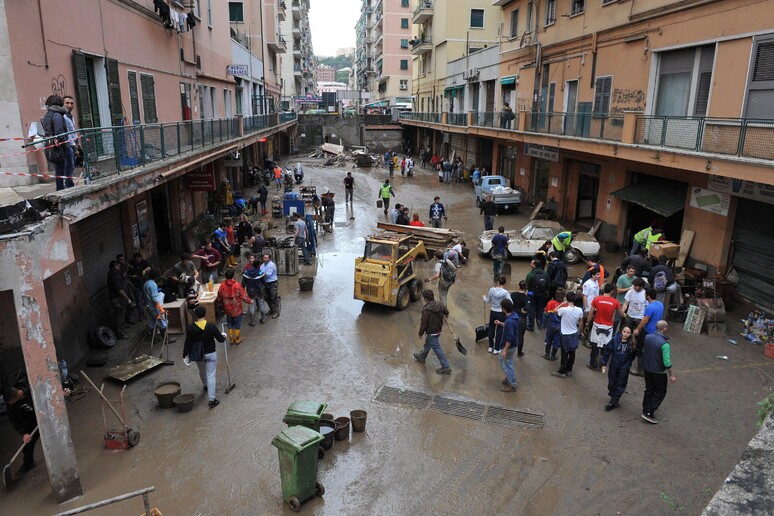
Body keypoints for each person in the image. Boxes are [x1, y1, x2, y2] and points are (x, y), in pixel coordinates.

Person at [183, 306, 227, 409]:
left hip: (198, 355)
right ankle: (211, 400)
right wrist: (224, 335)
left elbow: (187, 343)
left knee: (202, 371)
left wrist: (185, 355)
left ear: (196, 315)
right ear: (205, 314)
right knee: (211, 375)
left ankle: (206, 385)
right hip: (210, 354)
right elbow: (220, 339)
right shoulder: (211, 326)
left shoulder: (190, 328)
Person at [641, 320, 677, 424]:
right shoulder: (664, 344)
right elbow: (667, 362)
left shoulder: (647, 337)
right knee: (660, 392)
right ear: (664, 329)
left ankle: (645, 408)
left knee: (649, 389)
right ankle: (649, 411)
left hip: (647, 369)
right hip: (658, 372)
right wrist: (671, 375)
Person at [3, 380, 39, 475]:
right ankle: (29, 463)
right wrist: (24, 433)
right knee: (27, 444)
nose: (10, 404)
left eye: (11, 402)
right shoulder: (11, 404)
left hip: (41, 418)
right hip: (29, 424)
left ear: (17, 396)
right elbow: (13, 419)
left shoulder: (31, 389)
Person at [413, 289, 452, 375]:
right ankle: (422, 356)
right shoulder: (440, 305)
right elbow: (447, 312)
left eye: (424, 298)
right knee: (428, 343)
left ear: (426, 299)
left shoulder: (426, 310)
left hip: (431, 332)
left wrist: (420, 333)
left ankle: (446, 367)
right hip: (438, 330)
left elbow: (424, 324)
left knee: (437, 349)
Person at [586, 284, 622, 370]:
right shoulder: (615, 302)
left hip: (597, 326)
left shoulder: (597, 299)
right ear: (612, 291)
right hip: (608, 327)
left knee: (595, 346)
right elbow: (620, 313)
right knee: (605, 348)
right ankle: (602, 365)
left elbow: (591, 313)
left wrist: (587, 324)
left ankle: (592, 364)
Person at [600, 326, 637, 411]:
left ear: (630, 334)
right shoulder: (614, 340)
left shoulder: (632, 343)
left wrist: (628, 363)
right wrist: (604, 363)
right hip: (614, 366)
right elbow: (607, 352)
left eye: (628, 333)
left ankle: (614, 401)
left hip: (624, 368)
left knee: (620, 384)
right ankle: (613, 396)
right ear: (621, 332)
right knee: (611, 383)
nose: (626, 334)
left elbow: (634, 354)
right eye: (624, 332)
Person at [551, 291, 584, 379]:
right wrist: (580, 332)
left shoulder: (564, 310)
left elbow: (554, 310)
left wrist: (562, 303)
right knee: (572, 353)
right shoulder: (579, 310)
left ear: (566, 298)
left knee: (564, 353)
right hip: (574, 333)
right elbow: (581, 323)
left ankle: (562, 371)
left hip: (565, 334)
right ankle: (569, 369)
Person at [41, 95, 70, 191]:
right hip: (59, 146)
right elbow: (59, 132)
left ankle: (61, 187)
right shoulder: (57, 115)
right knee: (61, 168)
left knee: (59, 168)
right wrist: (65, 141)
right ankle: (61, 188)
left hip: (51, 144)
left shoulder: (47, 115)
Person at [632, 287, 664, 376]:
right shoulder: (660, 304)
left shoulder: (650, 307)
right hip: (657, 331)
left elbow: (645, 320)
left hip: (648, 331)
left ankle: (640, 370)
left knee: (640, 349)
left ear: (648, 296)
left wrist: (637, 329)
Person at [216, 269, 252, 345]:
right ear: (234, 275)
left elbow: (219, 297)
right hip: (237, 309)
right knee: (237, 325)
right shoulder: (237, 285)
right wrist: (250, 301)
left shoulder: (222, 285)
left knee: (229, 324)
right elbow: (244, 296)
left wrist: (219, 305)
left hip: (227, 309)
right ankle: (237, 339)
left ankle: (231, 340)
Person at [483, 276, 512, 355]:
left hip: (493, 311)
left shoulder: (492, 290)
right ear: (504, 283)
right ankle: (496, 349)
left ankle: (490, 347)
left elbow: (487, 300)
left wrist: (484, 298)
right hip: (501, 313)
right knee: (499, 331)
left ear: (498, 282)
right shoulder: (506, 293)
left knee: (491, 329)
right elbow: (511, 303)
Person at [495, 299, 519, 392]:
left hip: (509, 346)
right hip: (513, 345)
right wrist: (501, 323)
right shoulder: (514, 316)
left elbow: (510, 337)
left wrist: (505, 350)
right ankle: (509, 377)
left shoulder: (509, 321)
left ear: (504, 308)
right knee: (507, 363)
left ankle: (512, 383)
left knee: (506, 363)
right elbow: (511, 328)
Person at [107, 260, 134, 339]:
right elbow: (120, 290)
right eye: (117, 266)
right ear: (113, 268)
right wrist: (128, 299)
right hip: (117, 299)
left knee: (122, 314)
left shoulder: (115, 274)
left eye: (118, 265)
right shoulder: (113, 276)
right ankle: (120, 333)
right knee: (119, 316)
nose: (119, 267)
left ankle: (121, 329)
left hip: (119, 298)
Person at [526, 259, 549, 331]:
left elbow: (527, 285)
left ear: (534, 265)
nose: (530, 263)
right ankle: (540, 324)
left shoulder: (530, 274)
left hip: (531, 293)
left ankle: (531, 325)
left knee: (531, 309)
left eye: (532, 263)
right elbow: (548, 284)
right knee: (540, 309)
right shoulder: (545, 274)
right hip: (542, 294)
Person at [542, 288, 565, 361]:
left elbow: (545, 315)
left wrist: (543, 325)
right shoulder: (565, 305)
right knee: (557, 341)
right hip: (560, 325)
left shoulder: (550, 303)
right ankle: (553, 355)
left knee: (548, 339)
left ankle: (547, 354)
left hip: (551, 324)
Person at [128, 252, 151, 320]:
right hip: (136, 284)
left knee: (146, 298)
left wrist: (144, 270)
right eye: (137, 259)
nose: (138, 260)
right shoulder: (131, 264)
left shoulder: (143, 262)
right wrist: (132, 276)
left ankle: (148, 313)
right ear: (134, 259)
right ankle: (141, 315)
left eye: (139, 259)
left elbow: (149, 267)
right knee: (138, 300)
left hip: (144, 283)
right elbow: (127, 274)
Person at [510, 280, 530, 357]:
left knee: (510, 333)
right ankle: (519, 352)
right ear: (525, 289)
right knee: (520, 336)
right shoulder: (527, 298)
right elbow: (527, 308)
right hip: (521, 318)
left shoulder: (513, 294)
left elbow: (509, 304)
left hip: (512, 317)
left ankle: (507, 349)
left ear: (519, 287)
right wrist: (523, 310)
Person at [62, 95, 78, 188]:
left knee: (72, 166)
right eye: (67, 103)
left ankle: (68, 183)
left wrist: (77, 142)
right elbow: (67, 133)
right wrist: (74, 146)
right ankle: (68, 185)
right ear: (63, 104)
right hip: (68, 144)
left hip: (73, 143)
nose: (70, 105)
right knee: (69, 166)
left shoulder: (71, 116)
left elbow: (73, 131)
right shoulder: (63, 117)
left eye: (71, 103)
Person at [615, 265, 638, 331]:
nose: (632, 273)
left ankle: (621, 333)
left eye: (633, 271)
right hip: (621, 302)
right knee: (617, 319)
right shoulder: (621, 278)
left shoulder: (635, 279)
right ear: (627, 270)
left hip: (630, 303)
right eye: (630, 271)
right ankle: (613, 333)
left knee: (625, 320)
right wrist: (629, 288)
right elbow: (618, 291)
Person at [260, 253, 280, 318]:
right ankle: (272, 309)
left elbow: (268, 274)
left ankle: (277, 312)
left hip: (272, 283)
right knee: (266, 297)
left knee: (273, 298)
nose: (265, 259)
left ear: (269, 258)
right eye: (264, 258)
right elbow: (260, 272)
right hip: (265, 283)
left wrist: (260, 275)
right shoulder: (262, 265)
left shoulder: (272, 265)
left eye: (266, 258)